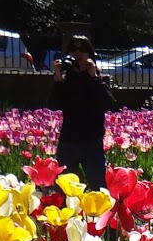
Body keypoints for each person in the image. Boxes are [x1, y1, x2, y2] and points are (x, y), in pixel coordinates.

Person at [49, 35, 117, 188]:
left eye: (82, 50)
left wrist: (94, 77)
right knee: (65, 189)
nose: (77, 53)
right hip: (68, 141)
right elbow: (53, 105)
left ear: (89, 54)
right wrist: (58, 78)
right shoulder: (65, 80)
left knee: (98, 187)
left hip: (91, 141)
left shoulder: (99, 79)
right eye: (73, 50)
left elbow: (109, 104)